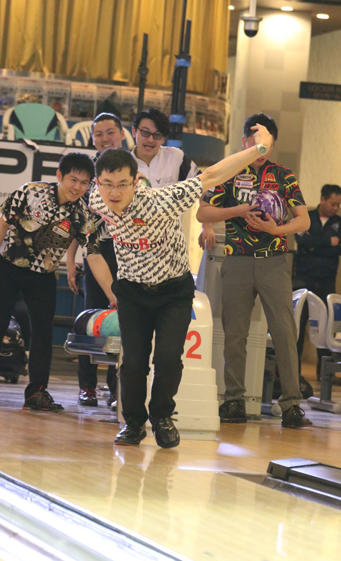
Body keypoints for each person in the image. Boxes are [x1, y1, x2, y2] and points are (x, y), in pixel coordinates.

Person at [86, 122, 273, 448]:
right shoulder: (96, 199)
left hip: (173, 292)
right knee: (133, 362)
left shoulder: (161, 200)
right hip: (131, 291)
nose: (114, 193)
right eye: (107, 185)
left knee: (169, 359)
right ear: (97, 183)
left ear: (135, 182)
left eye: (122, 185)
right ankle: (133, 423)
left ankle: (162, 418)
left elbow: (212, 175)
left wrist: (259, 148)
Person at [197, 112, 312, 429]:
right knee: (235, 332)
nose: (258, 146)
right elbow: (203, 213)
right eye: (252, 140)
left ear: (272, 144)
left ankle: (291, 404)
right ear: (244, 141)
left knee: (284, 332)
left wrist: (276, 230)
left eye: (265, 141)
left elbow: (304, 220)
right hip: (236, 259)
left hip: (275, 260)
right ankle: (233, 399)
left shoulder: (284, 175)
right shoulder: (230, 172)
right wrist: (239, 210)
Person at [0, 152, 100, 411]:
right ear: (59, 175)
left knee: (42, 333)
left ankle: (36, 392)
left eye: (84, 183)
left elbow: (93, 254)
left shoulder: (81, 214)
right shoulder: (30, 192)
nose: (77, 187)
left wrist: (111, 291)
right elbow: (1, 225)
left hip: (43, 276)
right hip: (8, 266)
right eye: (73, 180)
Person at [66, 113, 125, 407]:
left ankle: (116, 389)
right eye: (99, 134)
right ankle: (87, 387)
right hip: (95, 251)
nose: (105, 138)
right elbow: (78, 221)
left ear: (122, 134)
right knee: (90, 318)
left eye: (110, 132)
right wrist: (70, 260)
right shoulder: (87, 174)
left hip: (127, 253)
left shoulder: (131, 170)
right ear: (92, 139)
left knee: (123, 321)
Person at [131, 107, 216, 250]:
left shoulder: (175, 158)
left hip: (170, 246)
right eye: (145, 132)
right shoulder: (123, 164)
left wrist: (207, 226)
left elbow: (206, 186)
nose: (150, 139)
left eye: (157, 135)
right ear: (134, 131)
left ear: (164, 138)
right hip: (132, 245)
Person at [294, 184, 341, 379]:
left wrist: (314, 244)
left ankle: (325, 375)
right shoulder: (306, 217)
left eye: (338, 205)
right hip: (303, 280)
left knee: (326, 328)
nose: (336, 208)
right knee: (298, 327)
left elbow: (338, 247)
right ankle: (293, 373)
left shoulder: (339, 223)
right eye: (333, 203)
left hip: (326, 281)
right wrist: (328, 242)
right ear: (322, 199)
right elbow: (302, 241)